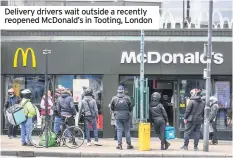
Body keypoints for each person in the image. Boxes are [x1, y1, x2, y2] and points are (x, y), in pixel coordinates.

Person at [110, 85, 134, 150]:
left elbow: (112, 107)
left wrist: (115, 112)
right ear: (123, 91)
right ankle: (129, 145)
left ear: (117, 91)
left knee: (119, 130)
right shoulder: (127, 98)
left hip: (117, 116)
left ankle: (119, 145)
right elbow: (131, 107)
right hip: (126, 116)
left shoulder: (114, 98)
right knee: (127, 130)